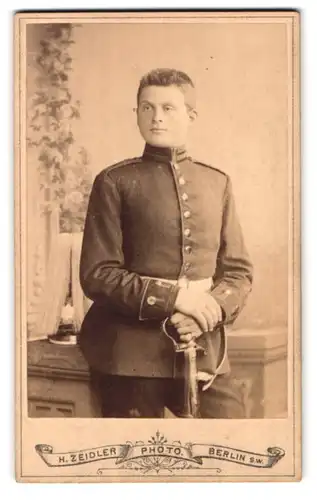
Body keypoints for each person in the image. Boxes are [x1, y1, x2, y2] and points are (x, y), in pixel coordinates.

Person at [79, 68, 253, 418]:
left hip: (203, 345)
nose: (156, 117)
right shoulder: (114, 181)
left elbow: (238, 271)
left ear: (190, 115)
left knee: (232, 437)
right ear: (137, 113)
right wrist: (178, 298)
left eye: (168, 108)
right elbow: (98, 274)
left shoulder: (216, 182)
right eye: (146, 108)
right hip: (128, 354)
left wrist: (210, 310)